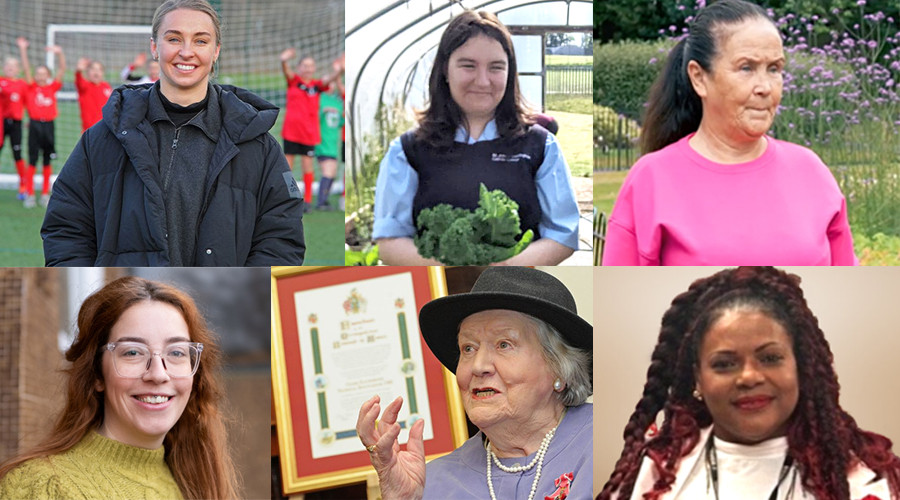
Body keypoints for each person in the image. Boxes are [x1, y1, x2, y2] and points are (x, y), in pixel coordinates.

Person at [41, 0, 305, 266]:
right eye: (174, 39)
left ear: (216, 52)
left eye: (201, 41)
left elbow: (281, 239)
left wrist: (239, 298)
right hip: (125, 304)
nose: (186, 52)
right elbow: (65, 229)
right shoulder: (100, 140)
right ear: (155, 47)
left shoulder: (258, 146)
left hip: (223, 305)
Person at [599, 266, 900, 499]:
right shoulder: (656, 473)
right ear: (698, 379)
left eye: (770, 358)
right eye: (724, 364)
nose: (749, 377)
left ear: (801, 366)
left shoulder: (866, 479)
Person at [602, 0, 857, 266]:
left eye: (774, 69)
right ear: (699, 78)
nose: (765, 87)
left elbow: (847, 292)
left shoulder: (811, 172)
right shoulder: (651, 180)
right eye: (746, 68)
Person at [357, 267, 593, 499]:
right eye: (468, 348)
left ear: (559, 368)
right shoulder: (430, 482)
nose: (478, 366)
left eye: (503, 344)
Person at [0, 276, 239, 499]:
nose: (158, 373)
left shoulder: (195, 481)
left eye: (176, 352)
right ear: (96, 374)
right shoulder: (42, 486)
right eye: (133, 352)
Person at [372, 11, 580, 266]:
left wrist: (503, 269)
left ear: (510, 73)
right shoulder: (407, 151)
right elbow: (390, 240)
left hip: (516, 285)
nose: (483, 81)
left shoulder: (541, 146)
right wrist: (450, 272)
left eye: (496, 67)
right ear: (445, 70)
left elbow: (563, 234)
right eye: (468, 65)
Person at [279, 49, 344, 206]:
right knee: (287, 168)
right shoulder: (294, 82)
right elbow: (286, 70)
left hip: (308, 134)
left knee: (307, 167)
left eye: (311, 66)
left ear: (314, 68)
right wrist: (283, 60)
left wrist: (339, 70)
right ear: (299, 67)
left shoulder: (317, 86)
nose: (308, 68)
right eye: (305, 65)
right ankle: (287, 198)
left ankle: (307, 201)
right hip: (291, 132)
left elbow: (329, 80)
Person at [18, 38, 66, 208]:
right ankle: (29, 193)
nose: (40, 76)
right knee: (32, 160)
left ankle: (45, 193)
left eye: (43, 73)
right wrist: (23, 49)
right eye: (38, 73)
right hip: (35, 125)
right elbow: (25, 68)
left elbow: (62, 69)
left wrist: (59, 53)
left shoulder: (51, 87)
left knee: (47, 160)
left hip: (49, 126)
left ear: (48, 75)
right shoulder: (31, 87)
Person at [0, 50, 28, 199]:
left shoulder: (22, 84)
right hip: (1, 122)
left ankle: (22, 185)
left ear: (18, 69)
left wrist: (30, 118)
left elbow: (27, 102)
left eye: (13, 66)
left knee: (17, 153)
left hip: (16, 123)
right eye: (8, 65)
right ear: (4, 68)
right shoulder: (1, 81)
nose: (10, 68)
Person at [313, 82, 343, 210]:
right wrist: (323, 111)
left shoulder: (337, 102)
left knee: (332, 172)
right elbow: (312, 117)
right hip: (322, 141)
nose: (331, 86)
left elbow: (340, 122)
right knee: (328, 171)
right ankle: (321, 202)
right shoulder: (319, 99)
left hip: (333, 142)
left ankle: (324, 201)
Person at [74, 57, 112, 132]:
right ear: (88, 72)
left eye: (99, 70)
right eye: (93, 69)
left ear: (103, 73)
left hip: (106, 129)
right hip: (90, 131)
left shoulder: (106, 86)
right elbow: (79, 80)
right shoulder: (85, 86)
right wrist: (79, 71)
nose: (96, 72)